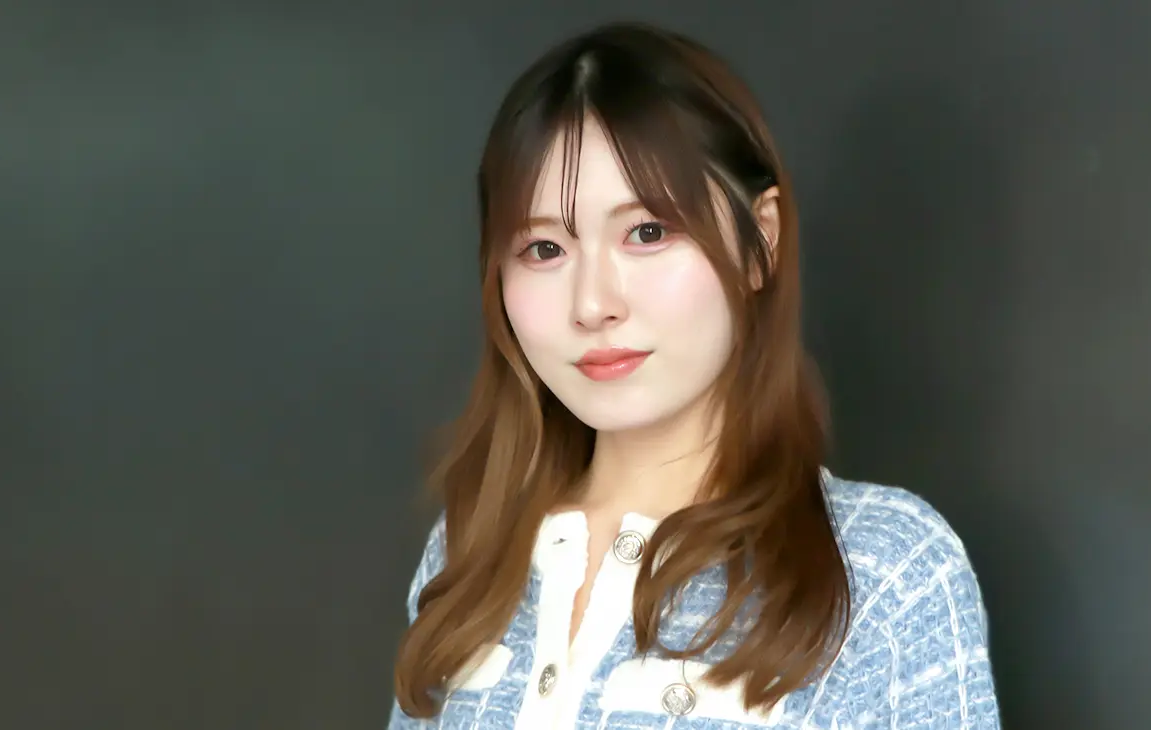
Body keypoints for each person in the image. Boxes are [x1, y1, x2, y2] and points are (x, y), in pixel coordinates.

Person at [386, 21, 999, 730]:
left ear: (760, 239)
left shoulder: (883, 572)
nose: (593, 304)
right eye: (545, 248)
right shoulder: (467, 553)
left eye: (647, 233)